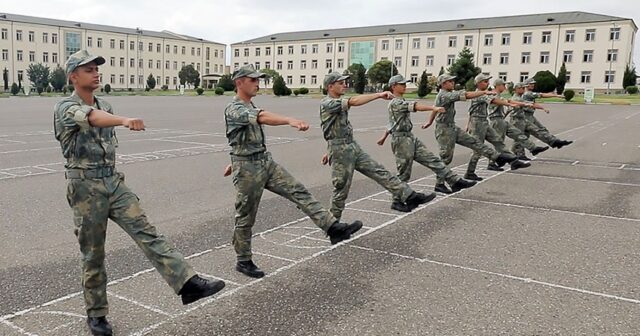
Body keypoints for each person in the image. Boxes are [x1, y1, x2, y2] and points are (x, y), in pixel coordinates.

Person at [54, 50, 224, 336]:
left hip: (113, 183)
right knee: (93, 254)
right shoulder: (64, 107)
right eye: (88, 69)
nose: (96, 73)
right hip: (86, 189)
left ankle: (187, 284)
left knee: (148, 233)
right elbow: (92, 118)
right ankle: (96, 314)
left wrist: (117, 119)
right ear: (73, 76)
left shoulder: (105, 103)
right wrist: (123, 120)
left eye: (97, 68)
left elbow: (101, 118)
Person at [225, 65, 363, 278]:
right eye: (252, 80)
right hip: (248, 169)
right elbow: (261, 117)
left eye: (258, 80)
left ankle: (332, 228)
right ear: (239, 82)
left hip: (264, 162)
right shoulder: (235, 108)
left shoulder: (249, 104)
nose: (257, 83)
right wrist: (289, 120)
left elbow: (239, 138)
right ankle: (243, 260)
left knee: (299, 191)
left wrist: (234, 158)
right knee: (246, 215)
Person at [321, 72, 436, 218]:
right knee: (341, 188)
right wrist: (378, 95)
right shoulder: (327, 103)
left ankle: (409, 196)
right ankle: (333, 225)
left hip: (350, 146)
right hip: (340, 151)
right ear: (330, 86)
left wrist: (329, 149)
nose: (345, 85)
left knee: (379, 171)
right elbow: (353, 101)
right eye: (340, 83)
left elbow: (333, 128)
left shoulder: (336, 102)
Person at [376, 74, 476, 196]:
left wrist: (383, 137)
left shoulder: (399, 100)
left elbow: (392, 122)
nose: (405, 86)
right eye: (402, 84)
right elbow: (415, 106)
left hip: (409, 138)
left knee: (432, 160)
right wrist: (433, 108)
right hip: (401, 140)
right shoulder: (395, 103)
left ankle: (454, 181)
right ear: (393, 86)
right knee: (404, 173)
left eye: (405, 84)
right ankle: (398, 199)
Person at [423, 74, 521, 191]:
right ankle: (440, 184)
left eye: (452, 81)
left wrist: (429, 121)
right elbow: (466, 95)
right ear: (443, 84)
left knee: (474, 142)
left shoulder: (445, 95)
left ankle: (498, 158)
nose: (453, 83)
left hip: (452, 127)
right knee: (446, 158)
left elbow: (435, 107)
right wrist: (484, 93)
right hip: (444, 130)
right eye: (450, 81)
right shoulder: (444, 95)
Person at [464, 74, 533, 179]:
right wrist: (508, 104)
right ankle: (470, 172)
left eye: (488, 81)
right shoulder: (477, 94)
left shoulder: (485, 93)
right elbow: (494, 101)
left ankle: (513, 161)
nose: (487, 83)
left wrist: (512, 103)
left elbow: (502, 100)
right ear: (478, 83)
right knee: (478, 149)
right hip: (477, 123)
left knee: (498, 141)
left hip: (484, 122)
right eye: (485, 81)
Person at [485, 79, 549, 171]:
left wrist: (525, 104)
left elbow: (510, 101)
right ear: (498, 85)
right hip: (496, 121)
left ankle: (533, 148)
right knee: (499, 143)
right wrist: (510, 104)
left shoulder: (499, 95)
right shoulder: (493, 95)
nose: (505, 87)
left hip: (501, 120)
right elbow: (500, 102)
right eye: (503, 85)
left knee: (518, 134)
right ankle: (492, 163)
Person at [510, 82, 573, 159]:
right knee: (521, 136)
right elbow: (540, 96)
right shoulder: (520, 97)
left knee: (535, 131)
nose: (524, 89)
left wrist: (542, 107)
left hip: (523, 119)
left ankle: (553, 142)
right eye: (522, 88)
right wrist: (554, 96)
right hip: (518, 120)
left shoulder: (521, 97)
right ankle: (519, 154)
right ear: (517, 89)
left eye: (524, 88)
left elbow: (531, 103)